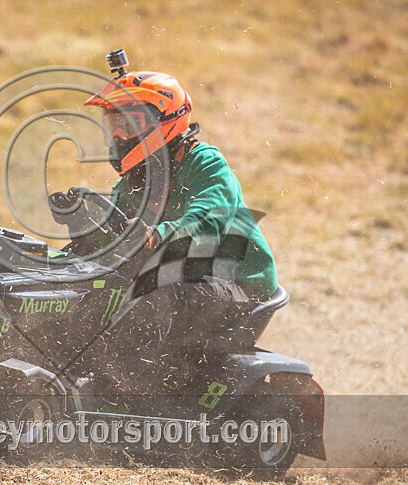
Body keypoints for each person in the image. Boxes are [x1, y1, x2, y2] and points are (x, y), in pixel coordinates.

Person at [83, 61, 277, 304]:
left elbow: (206, 225)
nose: (117, 137)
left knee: (157, 291)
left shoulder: (206, 164)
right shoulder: (130, 185)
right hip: (184, 275)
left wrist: (154, 235)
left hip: (240, 285)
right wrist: (81, 224)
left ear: (163, 121)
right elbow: (112, 249)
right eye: (112, 127)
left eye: (128, 126)